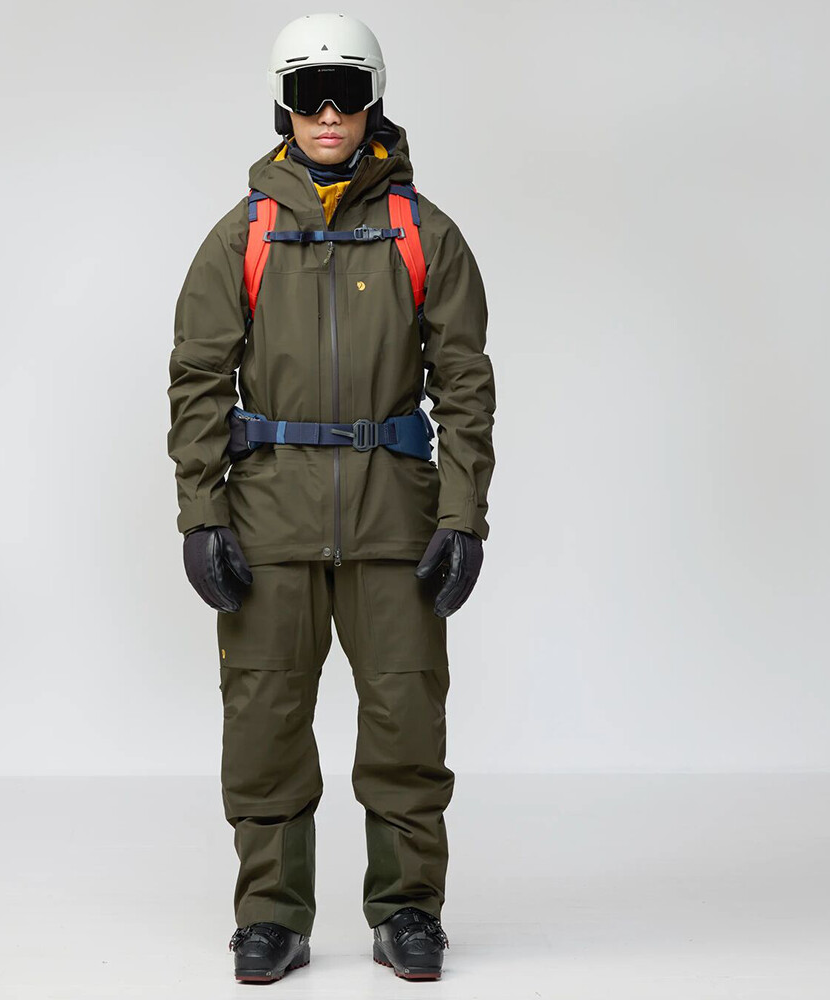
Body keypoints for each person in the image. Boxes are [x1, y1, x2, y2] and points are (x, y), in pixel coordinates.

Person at [167, 11, 495, 984]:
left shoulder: (423, 235)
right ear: (282, 105)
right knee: (264, 725)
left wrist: (462, 516)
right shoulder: (243, 237)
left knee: (406, 723)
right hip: (270, 524)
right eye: (307, 94)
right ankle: (271, 914)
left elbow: (465, 387)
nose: (325, 114)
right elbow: (197, 381)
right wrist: (202, 515)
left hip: (395, 523)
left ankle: (408, 909)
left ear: (372, 103)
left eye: (345, 94)